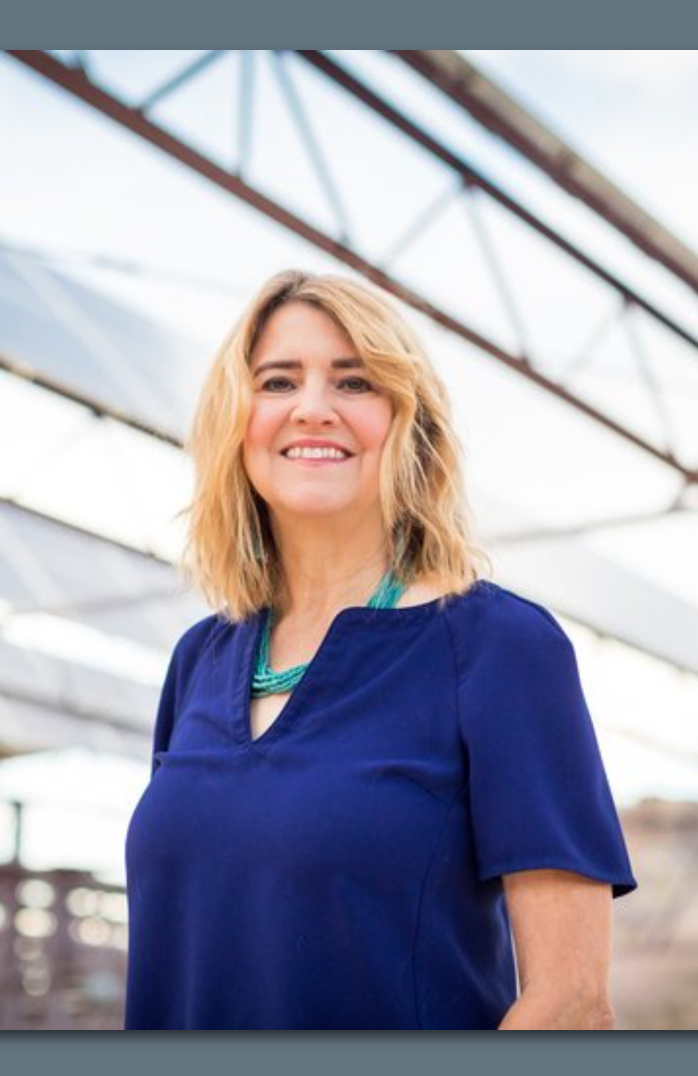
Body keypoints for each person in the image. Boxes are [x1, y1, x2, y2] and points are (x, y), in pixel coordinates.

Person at [124, 269, 637, 1030]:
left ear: (407, 424)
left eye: (355, 382)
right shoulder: (198, 660)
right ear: (236, 421)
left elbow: (570, 1005)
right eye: (277, 381)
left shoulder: (501, 649)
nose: (313, 409)